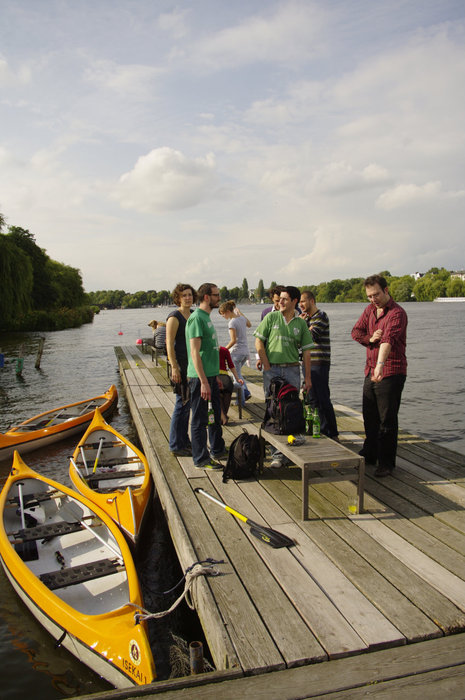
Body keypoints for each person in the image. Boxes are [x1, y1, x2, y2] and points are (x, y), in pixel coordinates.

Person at [351, 274, 407, 477]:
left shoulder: (397, 313)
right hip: (370, 369)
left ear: (386, 290)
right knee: (370, 416)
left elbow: (388, 341)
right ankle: (371, 453)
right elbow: (356, 332)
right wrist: (369, 338)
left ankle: (386, 462)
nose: (373, 299)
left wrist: (380, 366)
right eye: (369, 296)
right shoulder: (369, 311)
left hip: (390, 371)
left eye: (376, 294)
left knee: (387, 419)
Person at [254, 285, 313, 467]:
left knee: (292, 410)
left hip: (292, 369)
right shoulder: (271, 317)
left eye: (285, 299)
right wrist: (266, 363)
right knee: (273, 410)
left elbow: (307, 352)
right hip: (272, 370)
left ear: (294, 302)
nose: (280, 302)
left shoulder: (301, 323)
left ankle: (291, 449)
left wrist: (308, 378)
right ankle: (277, 454)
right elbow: (258, 341)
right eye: (280, 299)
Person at [186, 282, 226, 470]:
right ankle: (201, 458)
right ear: (207, 297)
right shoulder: (196, 319)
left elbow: (209, 351)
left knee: (214, 416)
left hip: (210, 376)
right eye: (217, 295)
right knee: (200, 419)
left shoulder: (207, 317)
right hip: (198, 378)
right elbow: (195, 352)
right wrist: (203, 381)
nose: (220, 298)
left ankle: (217, 449)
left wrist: (214, 375)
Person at [299, 291, 339, 440]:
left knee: (322, 397)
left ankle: (332, 433)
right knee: (313, 398)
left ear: (312, 301)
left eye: (303, 302)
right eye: (300, 303)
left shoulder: (321, 316)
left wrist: (302, 325)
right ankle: (320, 430)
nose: (301, 305)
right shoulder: (307, 319)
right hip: (308, 362)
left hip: (319, 363)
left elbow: (311, 336)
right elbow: (300, 340)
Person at [166, 283, 197, 457]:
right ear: (178, 298)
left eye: (190, 295)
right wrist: (174, 367)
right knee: (181, 404)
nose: (188, 298)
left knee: (188, 405)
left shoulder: (193, 314)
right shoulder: (174, 317)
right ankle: (176, 445)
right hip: (180, 367)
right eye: (184, 295)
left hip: (192, 366)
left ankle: (184, 441)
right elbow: (169, 344)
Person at [219, 300, 251, 404]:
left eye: (223, 314)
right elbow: (249, 324)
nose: (223, 316)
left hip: (237, 352)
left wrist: (223, 350)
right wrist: (240, 312)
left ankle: (242, 399)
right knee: (238, 374)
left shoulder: (232, 322)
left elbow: (233, 340)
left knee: (237, 377)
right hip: (245, 352)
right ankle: (243, 394)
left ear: (228, 311)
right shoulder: (241, 318)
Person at [218, 346, 244, 425]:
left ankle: (222, 416)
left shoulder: (208, 349)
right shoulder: (224, 350)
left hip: (214, 376)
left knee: (217, 393)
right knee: (227, 392)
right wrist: (237, 378)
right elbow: (231, 365)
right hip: (225, 378)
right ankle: (224, 415)